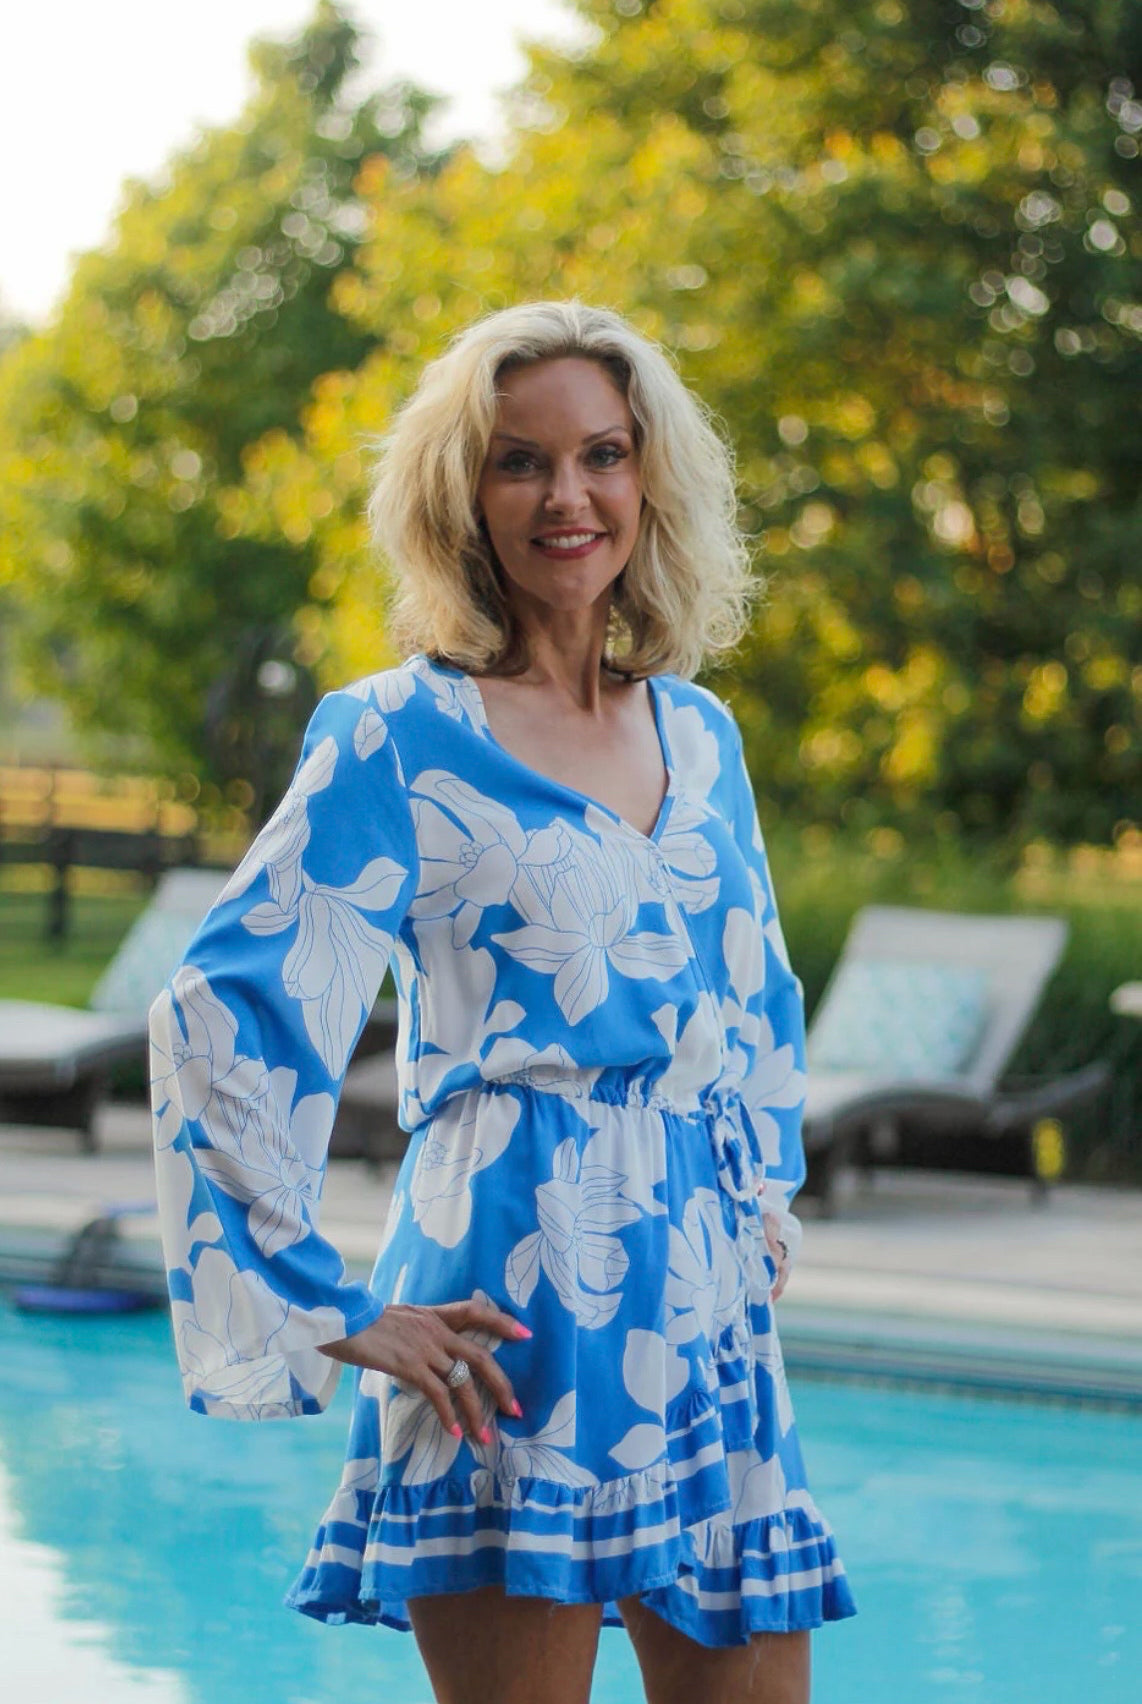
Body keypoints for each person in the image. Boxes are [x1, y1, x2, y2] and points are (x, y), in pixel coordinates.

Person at [149, 299, 856, 1704]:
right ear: (460, 494)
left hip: (705, 1301)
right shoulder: (396, 733)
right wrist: (328, 1301)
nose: (567, 495)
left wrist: (761, 1204)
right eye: (518, 461)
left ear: (649, 479)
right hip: (507, 1283)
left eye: (602, 454)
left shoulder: (700, 732)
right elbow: (220, 1009)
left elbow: (755, 994)